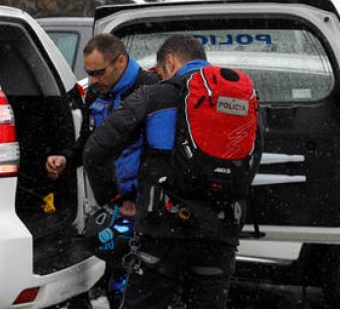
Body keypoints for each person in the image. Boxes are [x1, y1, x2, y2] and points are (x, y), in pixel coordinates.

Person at [82, 34, 262, 309]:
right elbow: (253, 157)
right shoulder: (241, 100)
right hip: (220, 229)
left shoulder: (153, 94)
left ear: (169, 61)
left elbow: (95, 150)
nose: (161, 76)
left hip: (162, 228)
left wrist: (118, 200)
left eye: (161, 71)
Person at [45, 33, 158, 308]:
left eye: (98, 73)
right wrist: (65, 159)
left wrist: (139, 198)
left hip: (142, 204)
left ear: (120, 62)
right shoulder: (96, 92)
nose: (93, 80)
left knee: (141, 277)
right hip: (110, 202)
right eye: (89, 74)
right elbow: (89, 142)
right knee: (114, 266)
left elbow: (159, 155)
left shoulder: (152, 90)